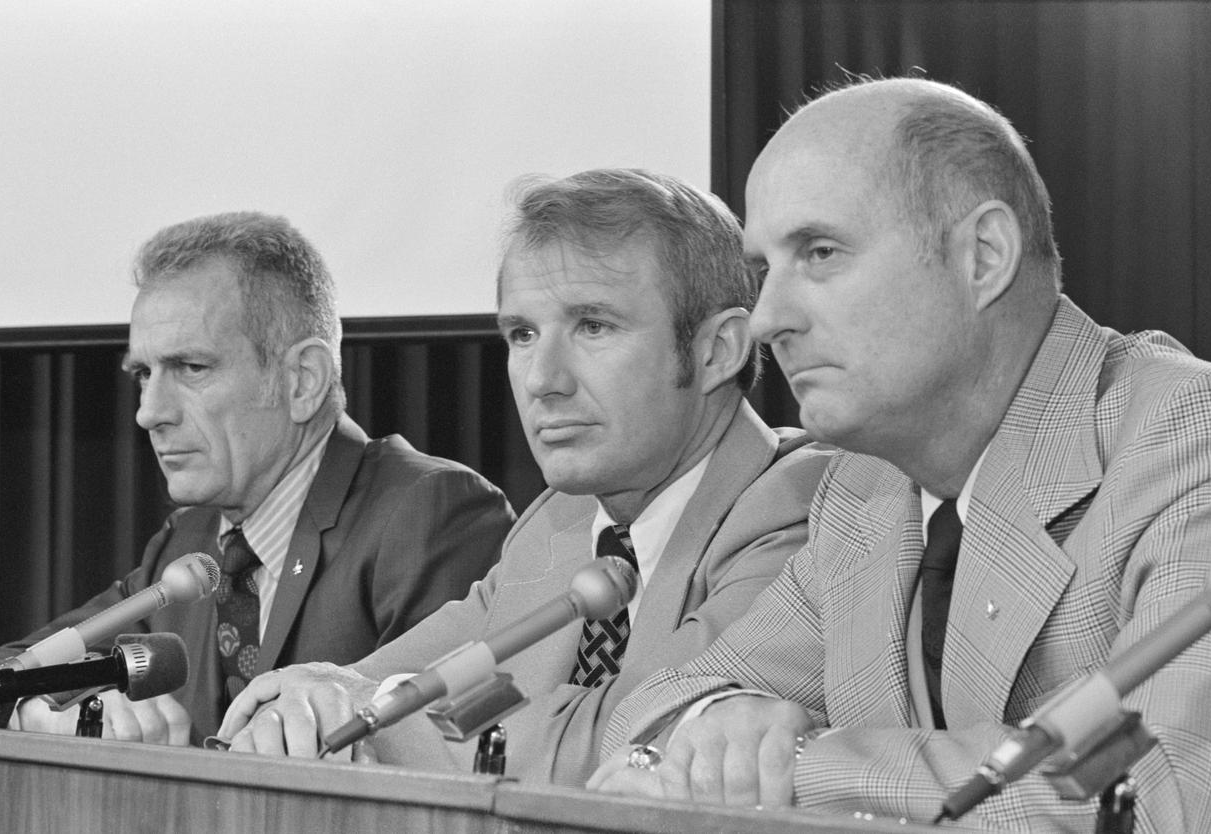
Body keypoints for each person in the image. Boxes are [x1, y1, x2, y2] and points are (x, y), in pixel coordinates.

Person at [588, 78, 1211, 831]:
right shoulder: (863, 491)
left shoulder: (1194, 437)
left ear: (983, 256)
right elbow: (652, 715)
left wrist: (791, 767)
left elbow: (1160, 799)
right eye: (765, 269)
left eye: (820, 253)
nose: (766, 320)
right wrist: (722, 719)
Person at [216, 169, 833, 787]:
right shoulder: (558, 521)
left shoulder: (803, 508)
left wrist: (366, 712)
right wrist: (316, 698)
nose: (543, 379)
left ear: (717, 350)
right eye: (522, 334)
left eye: (594, 326)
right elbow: (358, 685)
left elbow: (622, 743)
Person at [0, 212, 514, 745]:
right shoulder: (188, 545)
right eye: (144, 374)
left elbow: (454, 736)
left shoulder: (428, 512)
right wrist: (38, 715)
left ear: (302, 380)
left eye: (191, 368)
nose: (149, 412)